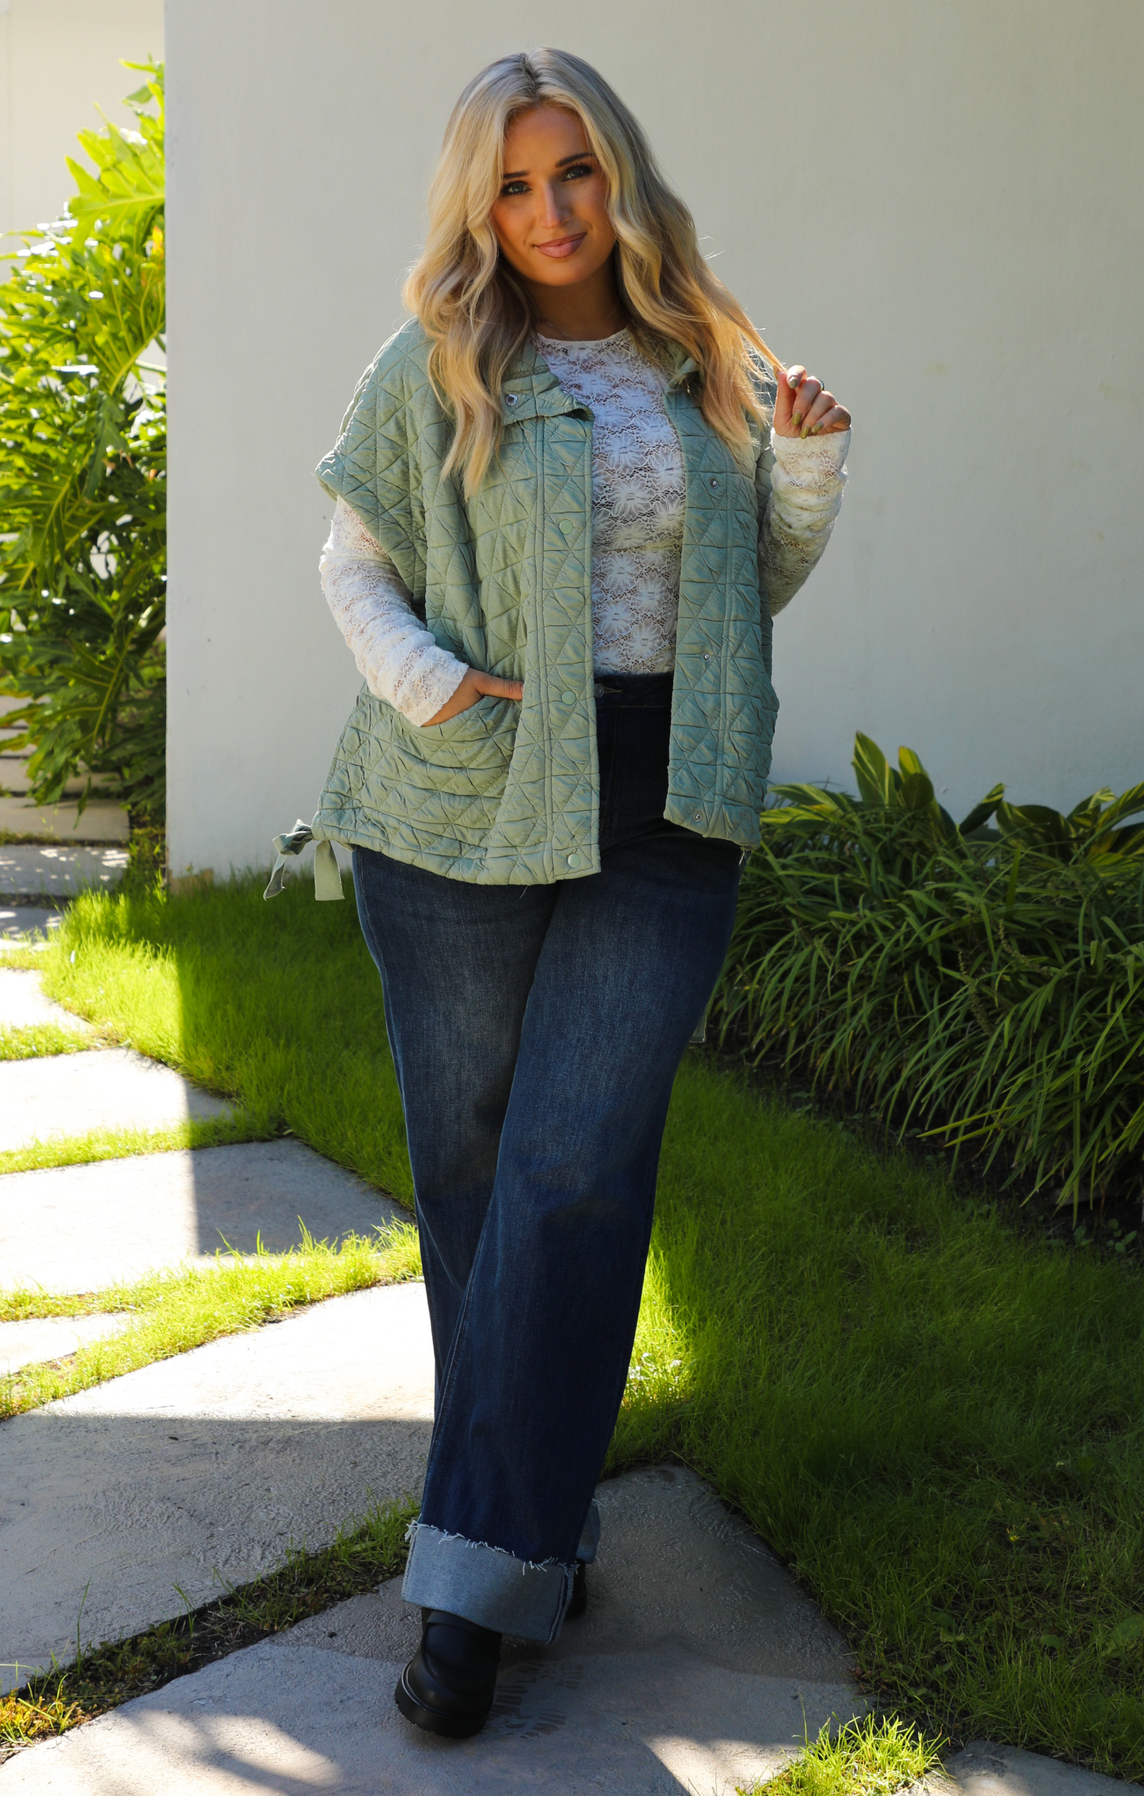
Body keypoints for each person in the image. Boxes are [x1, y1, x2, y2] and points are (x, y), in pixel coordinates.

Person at [306, 45, 849, 1739]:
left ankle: (466, 1594)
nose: (549, 212)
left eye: (577, 175)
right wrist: (427, 688)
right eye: (517, 184)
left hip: (662, 796)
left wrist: (808, 467)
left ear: (622, 179)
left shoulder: (699, 359)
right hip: (462, 792)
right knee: (474, 1180)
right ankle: (538, 1526)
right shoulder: (441, 355)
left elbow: (750, 580)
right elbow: (354, 559)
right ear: (484, 200)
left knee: (569, 1169)